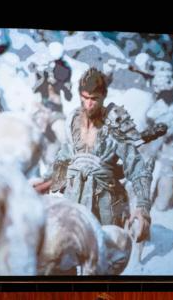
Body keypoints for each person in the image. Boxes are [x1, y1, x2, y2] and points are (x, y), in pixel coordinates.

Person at [50, 67, 153, 233]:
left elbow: (138, 168)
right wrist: (48, 181)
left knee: (107, 243)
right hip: (73, 197)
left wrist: (142, 207)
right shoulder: (73, 119)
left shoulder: (115, 123)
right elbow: (64, 155)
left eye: (94, 99)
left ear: (104, 96)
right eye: (85, 98)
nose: (89, 104)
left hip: (105, 202)